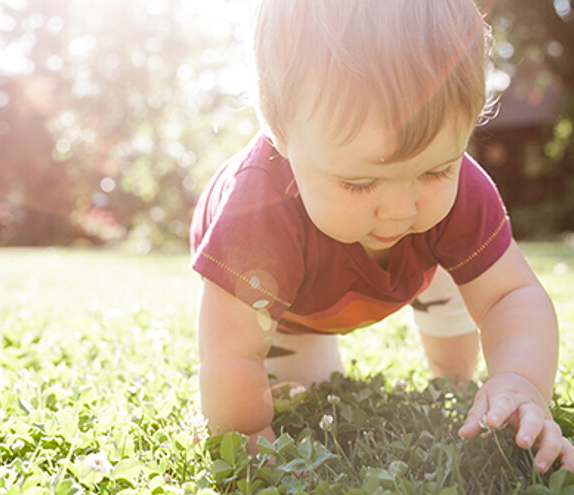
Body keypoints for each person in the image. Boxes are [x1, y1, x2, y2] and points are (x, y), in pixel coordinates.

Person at [190, 0, 574, 473]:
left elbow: (509, 295)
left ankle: (453, 377)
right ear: (281, 134)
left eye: (436, 170)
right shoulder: (256, 216)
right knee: (301, 387)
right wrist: (246, 434)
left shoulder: (459, 198)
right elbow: (230, 349)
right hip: (283, 301)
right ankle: (304, 353)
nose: (400, 208)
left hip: (424, 261)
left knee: (460, 263)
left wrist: (521, 380)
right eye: (358, 183)